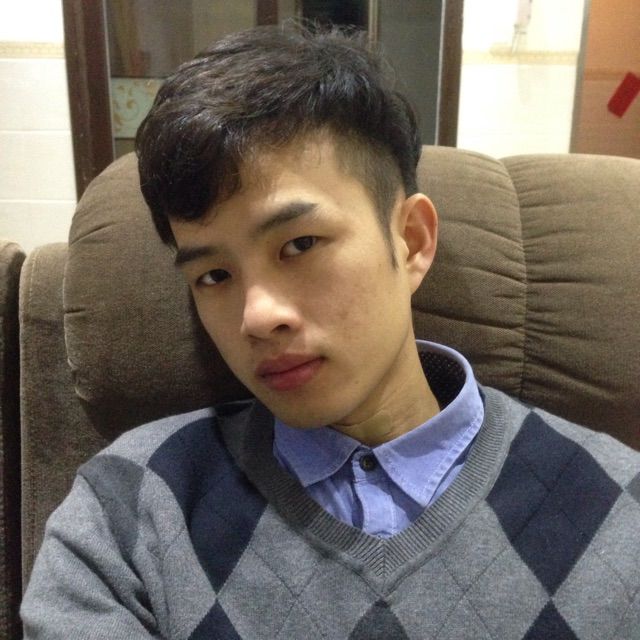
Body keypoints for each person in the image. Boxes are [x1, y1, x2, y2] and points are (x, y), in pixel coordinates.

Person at [21, 24, 640, 640]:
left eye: (300, 244)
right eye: (214, 275)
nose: (257, 316)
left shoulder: (618, 510)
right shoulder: (126, 510)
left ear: (411, 241)